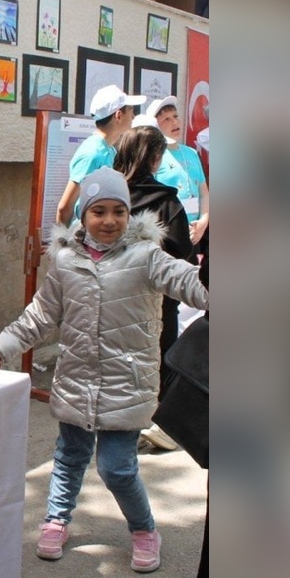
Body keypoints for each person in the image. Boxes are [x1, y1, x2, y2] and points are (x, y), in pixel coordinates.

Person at [0, 167, 208, 573]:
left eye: (119, 212)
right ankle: (56, 519)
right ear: (83, 215)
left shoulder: (146, 257)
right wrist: (7, 342)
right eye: (99, 211)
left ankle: (144, 530)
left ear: (129, 214)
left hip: (128, 381)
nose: (109, 221)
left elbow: (186, 280)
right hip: (76, 379)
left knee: (117, 467)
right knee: (70, 456)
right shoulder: (67, 261)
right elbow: (42, 313)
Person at [116, 121, 197, 451]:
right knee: (159, 357)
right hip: (158, 301)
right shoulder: (165, 202)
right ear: (155, 158)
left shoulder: (107, 197)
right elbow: (182, 253)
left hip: (114, 296)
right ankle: (159, 424)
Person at [54, 84, 146, 226]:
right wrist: (62, 244)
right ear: (119, 115)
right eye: (131, 111)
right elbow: (65, 208)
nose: (133, 117)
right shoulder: (92, 153)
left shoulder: (110, 149)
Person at [147, 95, 210, 248]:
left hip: (194, 232)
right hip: (166, 234)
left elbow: (204, 192)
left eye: (175, 116)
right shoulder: (154, 156)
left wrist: (203, 222)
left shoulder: (191, 153)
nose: (174, 122)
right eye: (166, 119)